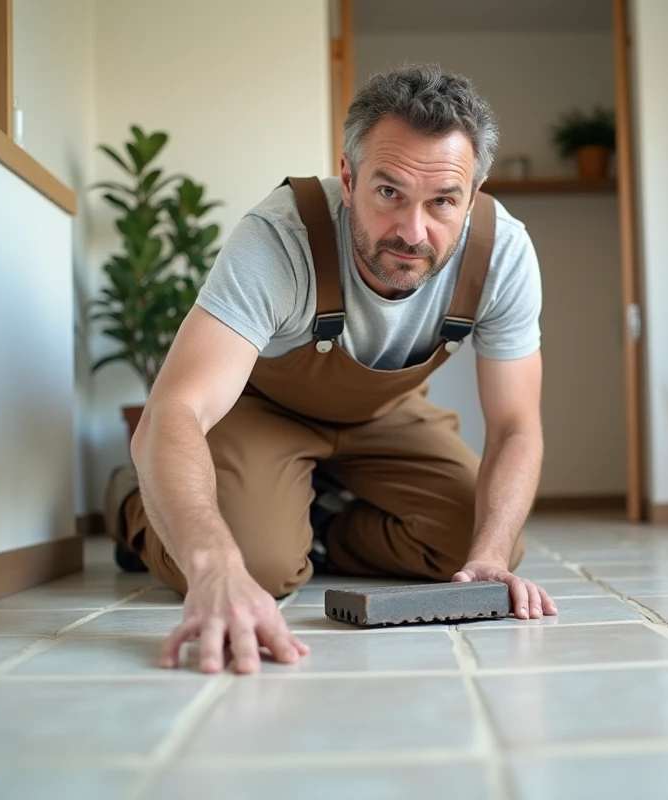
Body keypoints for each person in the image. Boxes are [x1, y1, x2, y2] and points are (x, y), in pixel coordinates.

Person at [104, 62, 557, 676]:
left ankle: (321, 518)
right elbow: (175, 410)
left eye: (443, 201)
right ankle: (131, 502)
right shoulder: (279, 238)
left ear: (472, 197)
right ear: (349, 178)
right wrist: (213, 566)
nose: (412, 231)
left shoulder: (502, 253)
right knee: (258, 563)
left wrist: (491, 556)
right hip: (263, 412)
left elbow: (514, 427)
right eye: (389, 191)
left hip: (385, 415)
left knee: (478, 542)